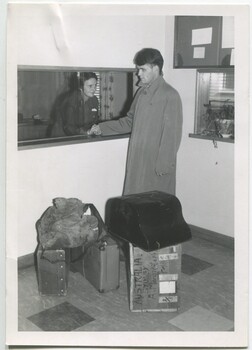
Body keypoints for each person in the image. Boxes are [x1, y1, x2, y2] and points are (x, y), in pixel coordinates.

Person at [88, 48, 183, 196]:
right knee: (135, 204)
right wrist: (102, 128)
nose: (139, 74)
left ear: (156, 69)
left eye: (143, 69)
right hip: (138, 159)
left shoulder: (170, 95)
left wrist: (163, 166)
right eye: (138, 69)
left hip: (156, 164)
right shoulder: (141, 92)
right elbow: (130, 121)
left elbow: (172, 136)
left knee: (154, 207)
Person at [62, 72, 99, 136]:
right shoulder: (71, 101)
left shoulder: (94, 100)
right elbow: (69, 127)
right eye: (90, 86)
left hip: (85, 136)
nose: (94, 89)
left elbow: (94, 121)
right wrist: (87, 132)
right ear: (81, 87)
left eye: (95, 85)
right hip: (65, 136)